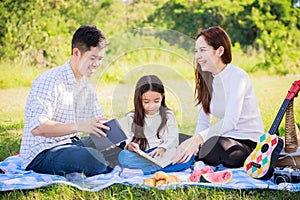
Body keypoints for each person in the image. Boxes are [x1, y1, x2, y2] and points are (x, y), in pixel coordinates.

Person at [20, 25, 122, 177]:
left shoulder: (86, 86)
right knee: (97, 160)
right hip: (43, 152)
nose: (96, 64)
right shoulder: (49, 80)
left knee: (119, 140)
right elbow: (38, 128)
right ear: (76, 53)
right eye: (92, 58)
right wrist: (80, 126)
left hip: (70, 144)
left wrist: (111, 136)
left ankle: (110, 156)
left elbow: (97, 122)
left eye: (100, 59)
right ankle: (102, 160)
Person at [172, 26, 264, 168]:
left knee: (213, 145)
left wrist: (199, 139)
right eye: (196, 51)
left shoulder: (238, 77)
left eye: (203, 50)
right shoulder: (206, 79)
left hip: (246, 144)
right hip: (223, 138)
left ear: (220, 51)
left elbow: (230, 122)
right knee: (176, 139)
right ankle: (197, 155)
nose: (198, 56)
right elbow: (203, 122)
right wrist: (195, 143)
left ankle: (199, 157)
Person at [118, 75, 194, 175]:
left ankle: (144, 171)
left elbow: (173, 139)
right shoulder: (131, 117)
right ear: (139, 99)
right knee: (124, 156)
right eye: (146, 102)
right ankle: (157, 168)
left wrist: (163, 148)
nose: (151, 106)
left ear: (162, 97)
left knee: (188, 156)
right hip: (143, 154)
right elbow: (128, 141)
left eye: (156, 101)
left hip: (163, 153)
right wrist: (130, 146)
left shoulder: (168, 115)